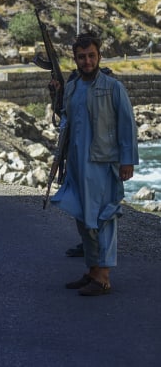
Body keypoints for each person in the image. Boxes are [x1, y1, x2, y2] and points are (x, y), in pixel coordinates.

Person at [50, 32, 138, 296]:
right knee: (83, 217)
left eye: (91, 56)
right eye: (81, 57)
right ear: (75, 59)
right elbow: (65, 118)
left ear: (99, 56)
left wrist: (127, 161)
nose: (87, 61)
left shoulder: (113, 87)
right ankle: (92, 270)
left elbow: (127, 125)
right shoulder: (74, 86)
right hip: (76, 165)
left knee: (104, 217)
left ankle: (103, 277)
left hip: (102, 163)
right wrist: (56, 94)